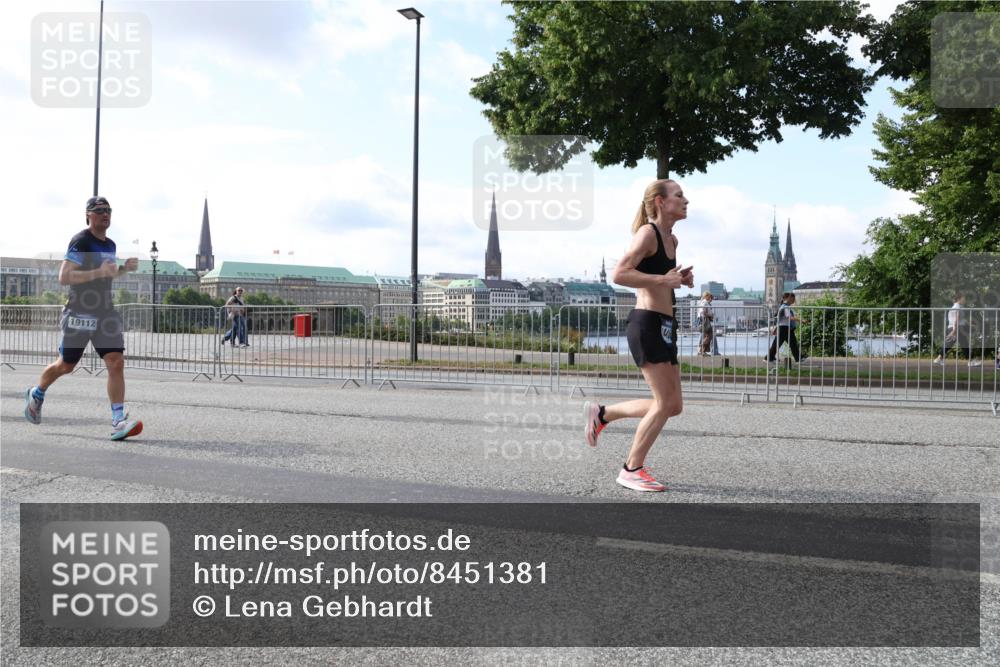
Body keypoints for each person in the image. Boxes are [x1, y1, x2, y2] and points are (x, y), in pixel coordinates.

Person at [583, 179, 693, 492]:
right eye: (679, 195)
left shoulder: (672, 239)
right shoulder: (648, 233)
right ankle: (631, 468)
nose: (686, 200)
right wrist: (663, 278)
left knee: (672, 405)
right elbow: (619, 273)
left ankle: (603, 414)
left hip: (665, 327)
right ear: (660, 201)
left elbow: (659, 279)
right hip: (646, 325)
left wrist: (678, 280)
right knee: (663, 402)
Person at [23, 196, 143, 440]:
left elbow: (105, 277)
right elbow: (64, 277)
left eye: (108, 210)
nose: (105, 214)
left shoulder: (110, 244)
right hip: (79, 312)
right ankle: (37, 392)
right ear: (88, 214)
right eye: (99, 210)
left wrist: (122, 270)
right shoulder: (80, 241)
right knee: (66, 365)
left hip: (105, 312)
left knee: (116, 361)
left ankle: (118, 421)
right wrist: (100, 270)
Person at [933, 292, 980, 367]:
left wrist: (969, 324)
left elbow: (961, 319)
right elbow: (956, 319)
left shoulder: (956, 307)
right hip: (957, 328)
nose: (964, 299)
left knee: (950, 344)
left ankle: (939, 358)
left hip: (954, 328)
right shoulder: (958, 307)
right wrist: (954, 330)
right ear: (959, 299)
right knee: (964, 344)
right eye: (963, 298)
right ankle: (971, 361)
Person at [766, 292, 803, 364]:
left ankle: (799, 358)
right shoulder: (785, 307)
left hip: (784, 327)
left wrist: (776, 328)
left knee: (790, 343)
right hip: (784, 328)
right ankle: (769, 358)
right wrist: (800, 320)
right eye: (792, 298)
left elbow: (780, 319)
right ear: (787, 298)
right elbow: (788, 316)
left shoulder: (783, 306)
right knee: (789, 344)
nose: (793, 300)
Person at [697, 291, 715, 356]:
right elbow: (703, 312)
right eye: (709, 296)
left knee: (706, 335)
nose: (710, 298)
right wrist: (710, 315)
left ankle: (702, 351)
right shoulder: (705, 302)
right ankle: (701, 350)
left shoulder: (702, 302)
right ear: (707, 296)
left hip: (702, 320)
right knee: (709, 335)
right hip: (705, 320)